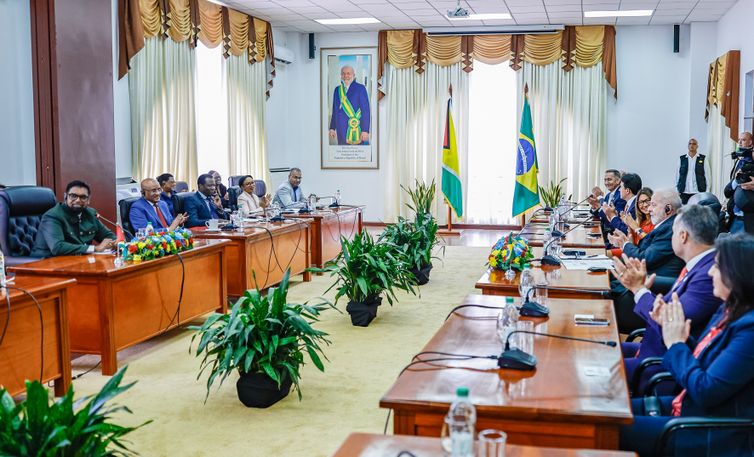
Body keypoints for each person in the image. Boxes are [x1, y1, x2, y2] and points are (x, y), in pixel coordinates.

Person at [619, 234, 754, 457]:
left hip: (705, 430)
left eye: (717, 267)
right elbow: (703, 356)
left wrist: (676, 343)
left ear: (737, 275)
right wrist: (673, 328)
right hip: (685, 406)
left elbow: (705, 390)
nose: (711, 272)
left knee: (606, 427)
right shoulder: (728, 309)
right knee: (605, 412)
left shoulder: (749, 330)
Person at [613, 204, 721, 391]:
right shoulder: (698, 265)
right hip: (649, 348)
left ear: (683, 236)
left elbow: (670, 320)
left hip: (659, 365)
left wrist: (639, 290)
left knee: (595, 369)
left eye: (672, 233)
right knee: (591, 351)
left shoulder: (708, 274)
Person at [608, 188, 685, 332]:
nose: (649, 209)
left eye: (653, 205)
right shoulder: (664, 226)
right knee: (604, 278)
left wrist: (625, 245)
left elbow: (644, 258)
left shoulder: (670, 229)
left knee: (602, 296)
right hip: (642, 281)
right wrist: (626, 243)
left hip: (652, 292)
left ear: (668, 209)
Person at [31, 180, 116, 257]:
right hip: (46, 263)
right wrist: (95, 248)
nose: (78, 200)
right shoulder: (53, 216)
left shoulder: (90, 213)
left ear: (88, 200)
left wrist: (115, 243)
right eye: (73, 196)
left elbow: (109, 236)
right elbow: (58, 247)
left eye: (83, 197)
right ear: (65, 197)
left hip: (76, 261)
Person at [328, 65, 370, 146]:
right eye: (343, 74)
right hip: (341, 129)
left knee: (357, 155)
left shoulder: (360, 88)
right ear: (341, 75)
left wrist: (365, 130)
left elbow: (366, 110)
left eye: (348, 73)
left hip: (357, 128)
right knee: (343, 155)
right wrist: (332, 128)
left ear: (354, 75)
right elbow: (335, 110)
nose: (345, 76)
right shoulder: (337, 90)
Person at [609, 187, 654, 258]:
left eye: (647, 201)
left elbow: (648, 244)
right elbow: (631, 246)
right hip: (632, 255)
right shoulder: (641, 222)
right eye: (641, 202)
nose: (644, 205)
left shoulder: (655, 222)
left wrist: (635, 227)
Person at [724, 132, 754, 234]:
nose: (740, 142)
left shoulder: (750, 162)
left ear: (751, 142)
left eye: (743, 140)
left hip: (747, 215)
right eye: (739, 140)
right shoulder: (740, 160)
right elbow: (728, 191)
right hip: (735, 213)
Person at [675, 138, 711, 204]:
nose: (692, 145)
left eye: (694, 144)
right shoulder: (681, 159)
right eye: (690, 144)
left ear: (697, 146)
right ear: (688, 146)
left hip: (698, 191)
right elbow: (677, 175)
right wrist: (677, 190)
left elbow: (707, 176)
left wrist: (707, 191)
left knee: (697, 211)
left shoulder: (703, 159)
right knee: (685, 211)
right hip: (684, 191)